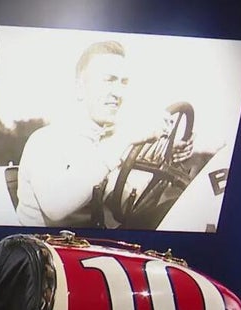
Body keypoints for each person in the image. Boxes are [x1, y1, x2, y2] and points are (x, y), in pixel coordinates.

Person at [15, 40, 193, 228]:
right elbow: (56, 207)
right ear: (80, 88)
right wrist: (125, 137)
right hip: (42, 244)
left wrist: (168, 153)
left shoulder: (104, 142)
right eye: (109, 80)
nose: (118, 92)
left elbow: (125, 202)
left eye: (123, 82)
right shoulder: (45, 141)